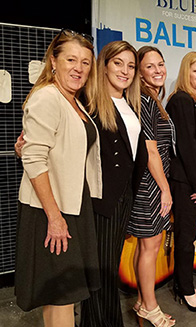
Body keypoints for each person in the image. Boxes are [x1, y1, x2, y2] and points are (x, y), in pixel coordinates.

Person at [15, 28, 101, 327]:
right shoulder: (48, 97)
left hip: (72, 205)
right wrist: (54, 217)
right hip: (51, 210)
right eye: (71, 60)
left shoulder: (74, 101)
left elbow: (47, 151)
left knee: (61, 294)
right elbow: (35, 159)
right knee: (62, 294)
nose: (79, 68)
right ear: (53, 61)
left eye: (86, 62)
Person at [79, 40, 148, 327]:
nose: (125, 71)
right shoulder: (89, 102)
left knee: (109, 269)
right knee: (100, 271)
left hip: (124, 196)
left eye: (131, 66)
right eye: (118, 63)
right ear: (104, 65)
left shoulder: (132, 103)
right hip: (101, 199)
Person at [127, 46, 176, 327]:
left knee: (149, 245)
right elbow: (150, 151)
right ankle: (149, 307)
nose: (158, 70)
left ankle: (142, 300)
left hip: (155, 182)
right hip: (151, 185)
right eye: (150, 66)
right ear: (139, 73)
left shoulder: (154, 99)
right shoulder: (144, 101)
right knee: (150, 246)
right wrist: (165, 188)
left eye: (161, 64)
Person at [166, 51, 196, 312]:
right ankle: (184, 290)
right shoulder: (181, 101)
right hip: (187, 183)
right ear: (186, 72)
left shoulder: (193, 102)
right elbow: (186, 146)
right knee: (185, 238)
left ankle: (185, 283)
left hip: (193, 180)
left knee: (189, 237)